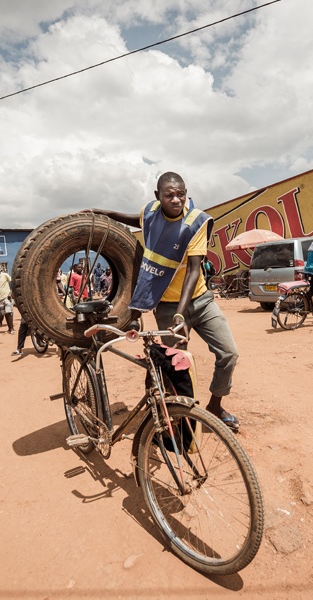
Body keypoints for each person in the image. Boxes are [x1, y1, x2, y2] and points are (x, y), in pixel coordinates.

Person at [89, 171, 241, 432]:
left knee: (228, 353)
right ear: (157, 196)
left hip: (199, 301)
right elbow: (133, 218)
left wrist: (182, 316)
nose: (176, 199)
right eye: (169, 194)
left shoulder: (196, 222)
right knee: (172, 365)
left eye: (181, 193)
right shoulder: (150, 213)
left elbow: (194, 271)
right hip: (166, 307)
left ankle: (215, 406)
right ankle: (170, 415)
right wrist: (105, 213)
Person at [0, 264, 14, 334]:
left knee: (9, 313)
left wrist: (11, 292)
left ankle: (12, 329)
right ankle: (9, 329)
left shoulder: (5, 275)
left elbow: (12, 282)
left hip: (7, 297)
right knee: (4, 314)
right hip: (0, 298)